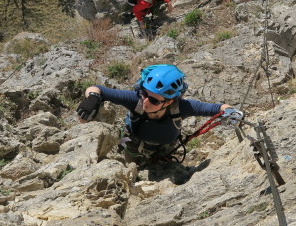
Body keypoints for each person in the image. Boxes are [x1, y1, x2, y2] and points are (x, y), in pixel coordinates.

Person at [76, 64, 242, 166]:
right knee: (130, 163)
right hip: (132, 142)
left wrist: (231, 112)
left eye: (154, 100)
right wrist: (92, 98)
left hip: (165, 148)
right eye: (144, 94)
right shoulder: (135, 100)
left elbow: (218, 108)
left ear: (169, 102)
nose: (146, 102)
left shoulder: (183, 108)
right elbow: (97, 88)